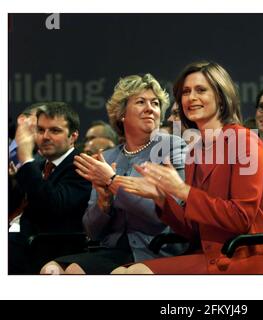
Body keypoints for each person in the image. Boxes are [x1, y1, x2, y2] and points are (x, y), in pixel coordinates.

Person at [111, 61, 263, 274]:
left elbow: (241, 218)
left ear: (221, 97)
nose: (191, 98)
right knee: (120, 273)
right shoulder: (195, 150)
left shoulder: (245, 142)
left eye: (201, 90)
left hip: (247, 256)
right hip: (209, 255)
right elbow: (193, 230)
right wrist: (161, 198)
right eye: (185, 92)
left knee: (134, 275)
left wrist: (183, 191)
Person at [40, 74, 186, 275]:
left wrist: (113, 181)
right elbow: (92, 231)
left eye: (155, 103)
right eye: (141, 102)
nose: (150, 108)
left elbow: (163, 216)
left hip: (155, 249)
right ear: (122, 113)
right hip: (113, 250)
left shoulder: (172, 147)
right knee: (52, 271)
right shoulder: (108, 157)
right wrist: (104, 203)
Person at [9, 102, 92, 274]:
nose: (45, 137)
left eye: (55, 131)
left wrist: (25, 160)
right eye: (40, 130)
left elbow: (52, 205)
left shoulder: (82, 166)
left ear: (73, 136)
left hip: (49, 246)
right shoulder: (38, 165)